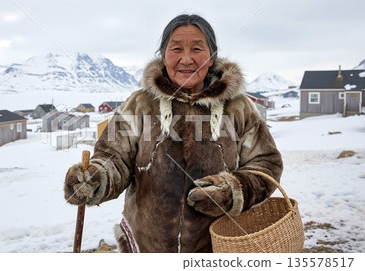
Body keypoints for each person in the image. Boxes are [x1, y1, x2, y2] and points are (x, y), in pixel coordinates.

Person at [64, 14, 283, 253]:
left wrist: (232, 190)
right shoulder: (140, 104)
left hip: (217, 247)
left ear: (211, 58)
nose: (186, 59)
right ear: (163, 55)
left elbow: (266, 164)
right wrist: (95, 177)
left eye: (197, 48)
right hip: (145, 246)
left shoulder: (238, 108)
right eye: (176, 48)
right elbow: (113, 157)